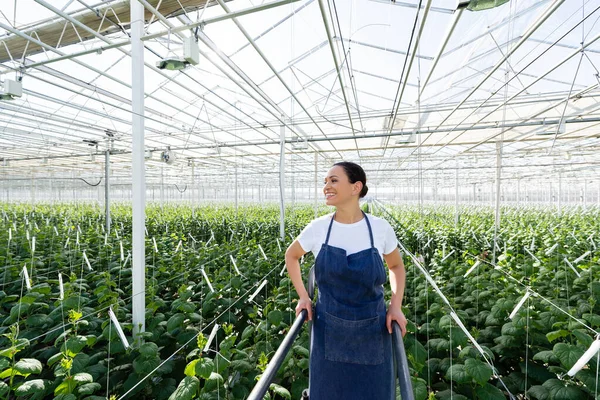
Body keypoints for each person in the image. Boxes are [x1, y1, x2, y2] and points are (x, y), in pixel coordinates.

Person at [285, 161, 407, 400]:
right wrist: (303, 296)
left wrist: (396, 305)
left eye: (333, 180)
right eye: (325, 182)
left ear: (355, 187)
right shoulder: (318, 227)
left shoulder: (380, 228)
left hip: (373, 330)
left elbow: (396, 266)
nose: (326, 187)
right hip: (329, 332)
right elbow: (291, 255)